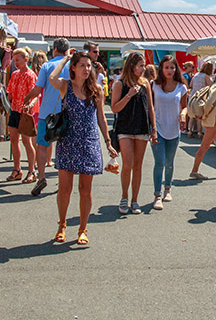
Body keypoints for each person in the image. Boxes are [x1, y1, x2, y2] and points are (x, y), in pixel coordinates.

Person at [48, 50, 118, 245]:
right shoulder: (65, 86)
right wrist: (65, 59)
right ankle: (62, 224)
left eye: (89, 66)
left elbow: (101, 118)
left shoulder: (96, 89)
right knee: (65, 189)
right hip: (68, 141)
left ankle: (82, 228)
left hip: (88, 142)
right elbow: (52, 77)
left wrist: (108, 142)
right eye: (82, 66)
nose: (87, 69)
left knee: (85, 189)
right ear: (74, 68)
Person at [111, 52, 158, 214]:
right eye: (141, 65)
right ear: (132, 66)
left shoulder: (145, 84)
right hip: (125, 128)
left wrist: (154, 128)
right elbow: (114, 108)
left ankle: (135, 200)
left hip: (142, 128)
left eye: (144, 65)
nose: (143, 69)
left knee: (138, 165)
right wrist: (129, 95)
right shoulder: (120, 84)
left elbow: (151, 108)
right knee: (128, 164)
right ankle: (124, 197)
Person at [23, 38, 70, 195]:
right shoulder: (72, 66)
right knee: (63, 147)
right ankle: (62, 178)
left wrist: (26, 98)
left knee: (42, 146)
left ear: (55, 49)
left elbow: (37, 89)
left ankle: (41, 177)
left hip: (47, 113)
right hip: (67, 112)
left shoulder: (47, 66)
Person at [150, 55, 187, 210]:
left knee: (169, 163)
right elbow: (150, 107)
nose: (169, 70)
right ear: (161, 69)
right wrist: (152, 127)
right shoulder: (154, 85)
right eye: (166, 67)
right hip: (157, 128)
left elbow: (185, 106)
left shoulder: (181, 87)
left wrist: (184, 114)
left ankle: (168, 189)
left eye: (172, 67)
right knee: (159, 162)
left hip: (173, 129)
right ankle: (157, 195)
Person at [6, 48, 39, 183]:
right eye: (14, 61)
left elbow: (35, 94)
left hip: (25, 112)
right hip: (15, 109)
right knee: (13, 139)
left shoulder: (31, 75)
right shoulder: (15, 74)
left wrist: (30, 105)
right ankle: (17, 169)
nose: (16, 63)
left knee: (27, 141)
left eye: (17, 60)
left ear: (25, 60)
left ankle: (32, 170)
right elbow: (10, 92)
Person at [188, 62, 214, 137]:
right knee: (200, 115)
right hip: (201, 96)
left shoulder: (196, 75)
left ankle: (190, 131)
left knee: (192, 115)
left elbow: (191, 85)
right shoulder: (206, 76)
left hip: (193, 96)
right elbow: (211, 86)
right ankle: (199, 132)